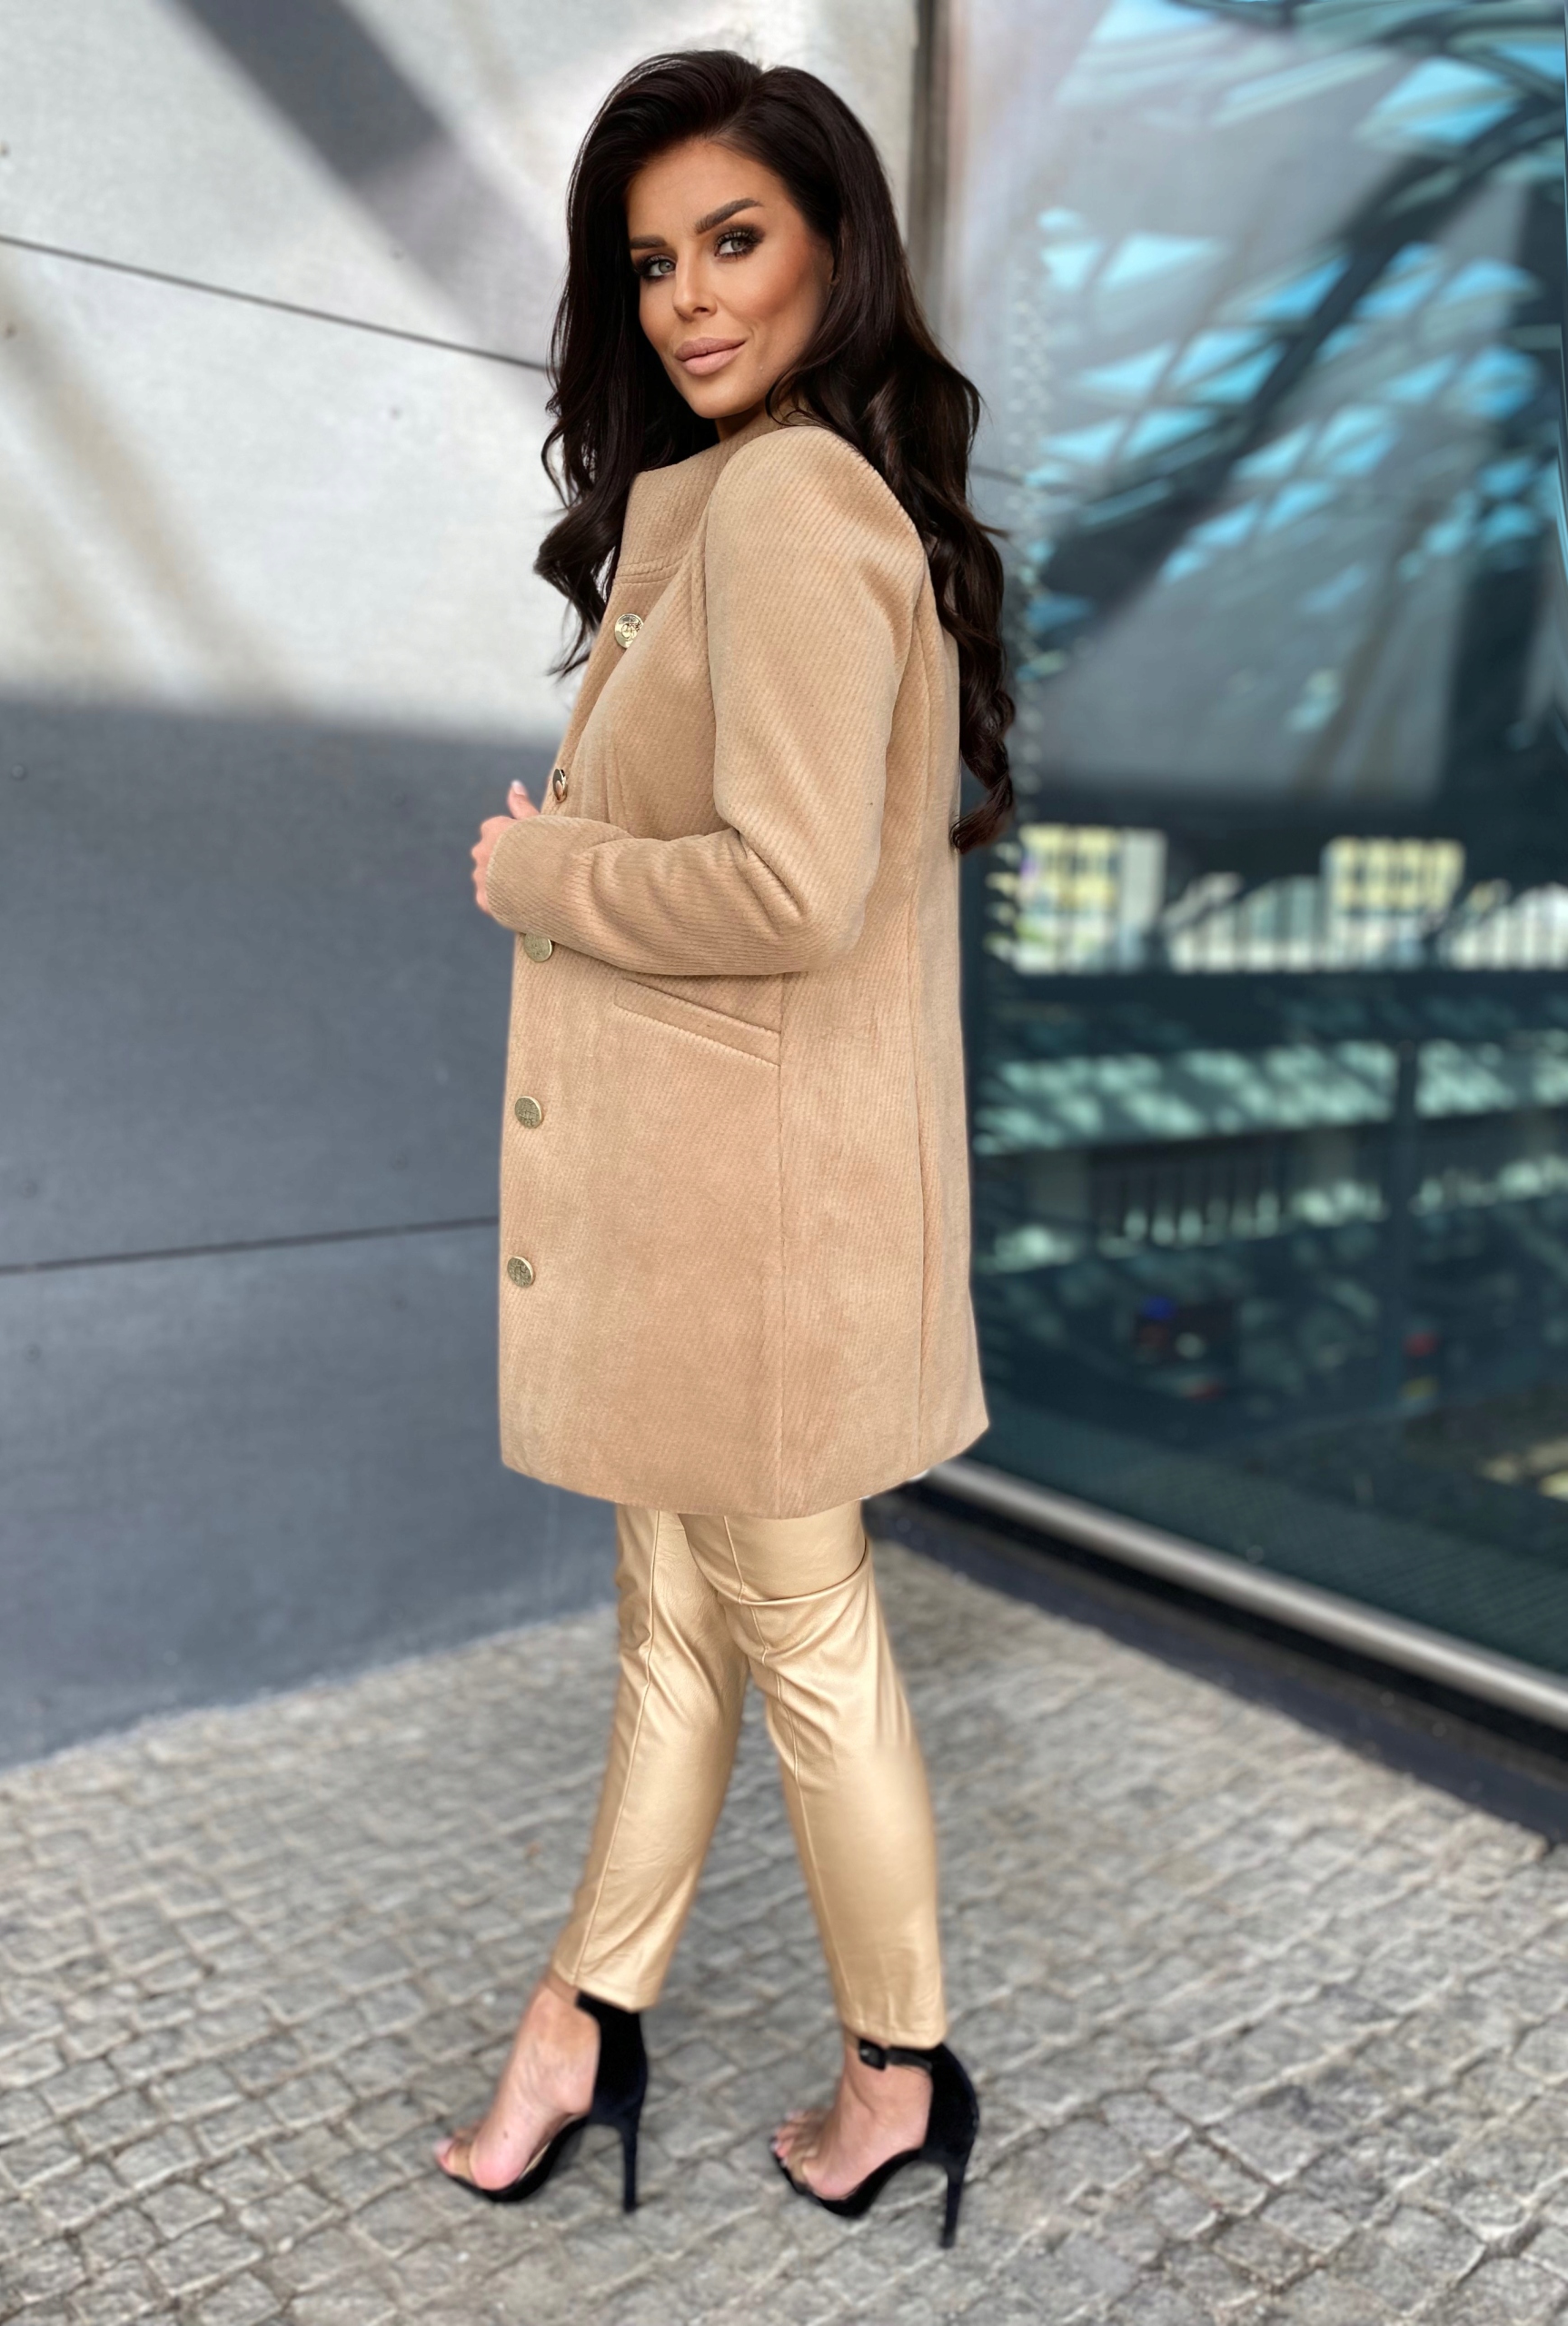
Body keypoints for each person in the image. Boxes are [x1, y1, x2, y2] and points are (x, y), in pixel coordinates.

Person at [438, 48, 1014, 2250]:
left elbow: (787, 886)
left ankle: (902, 2066)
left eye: (734, 240)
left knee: (799, 1628)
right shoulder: (753, 503)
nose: (686, 296)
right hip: (719, 1221)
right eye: (650, 258)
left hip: (756, 1230)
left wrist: (544, 869)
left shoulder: (787, 505)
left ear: (836, 245)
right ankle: (584, 2025)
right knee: (677, 1620)